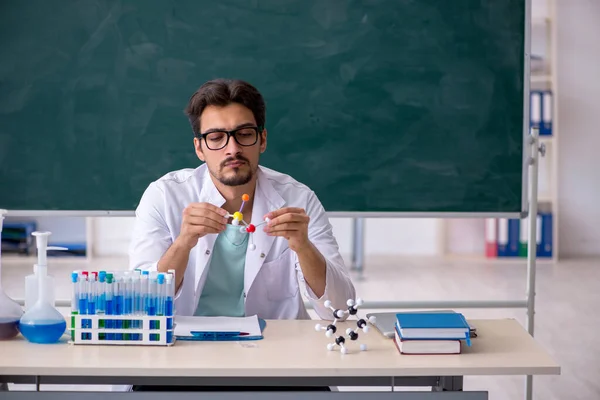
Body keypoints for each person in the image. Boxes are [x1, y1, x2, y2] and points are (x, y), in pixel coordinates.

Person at [129, 78, 355, 325]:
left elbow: (341, 309)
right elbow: (141, 303)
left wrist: (303, 246)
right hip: (187, 346)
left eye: (245, 134)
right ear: (199, 148)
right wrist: (183, 244)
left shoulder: (298, 199)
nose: (232, 149)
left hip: (275, 347)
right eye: (216, 137)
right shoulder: (164, 197)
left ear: (263, 140)